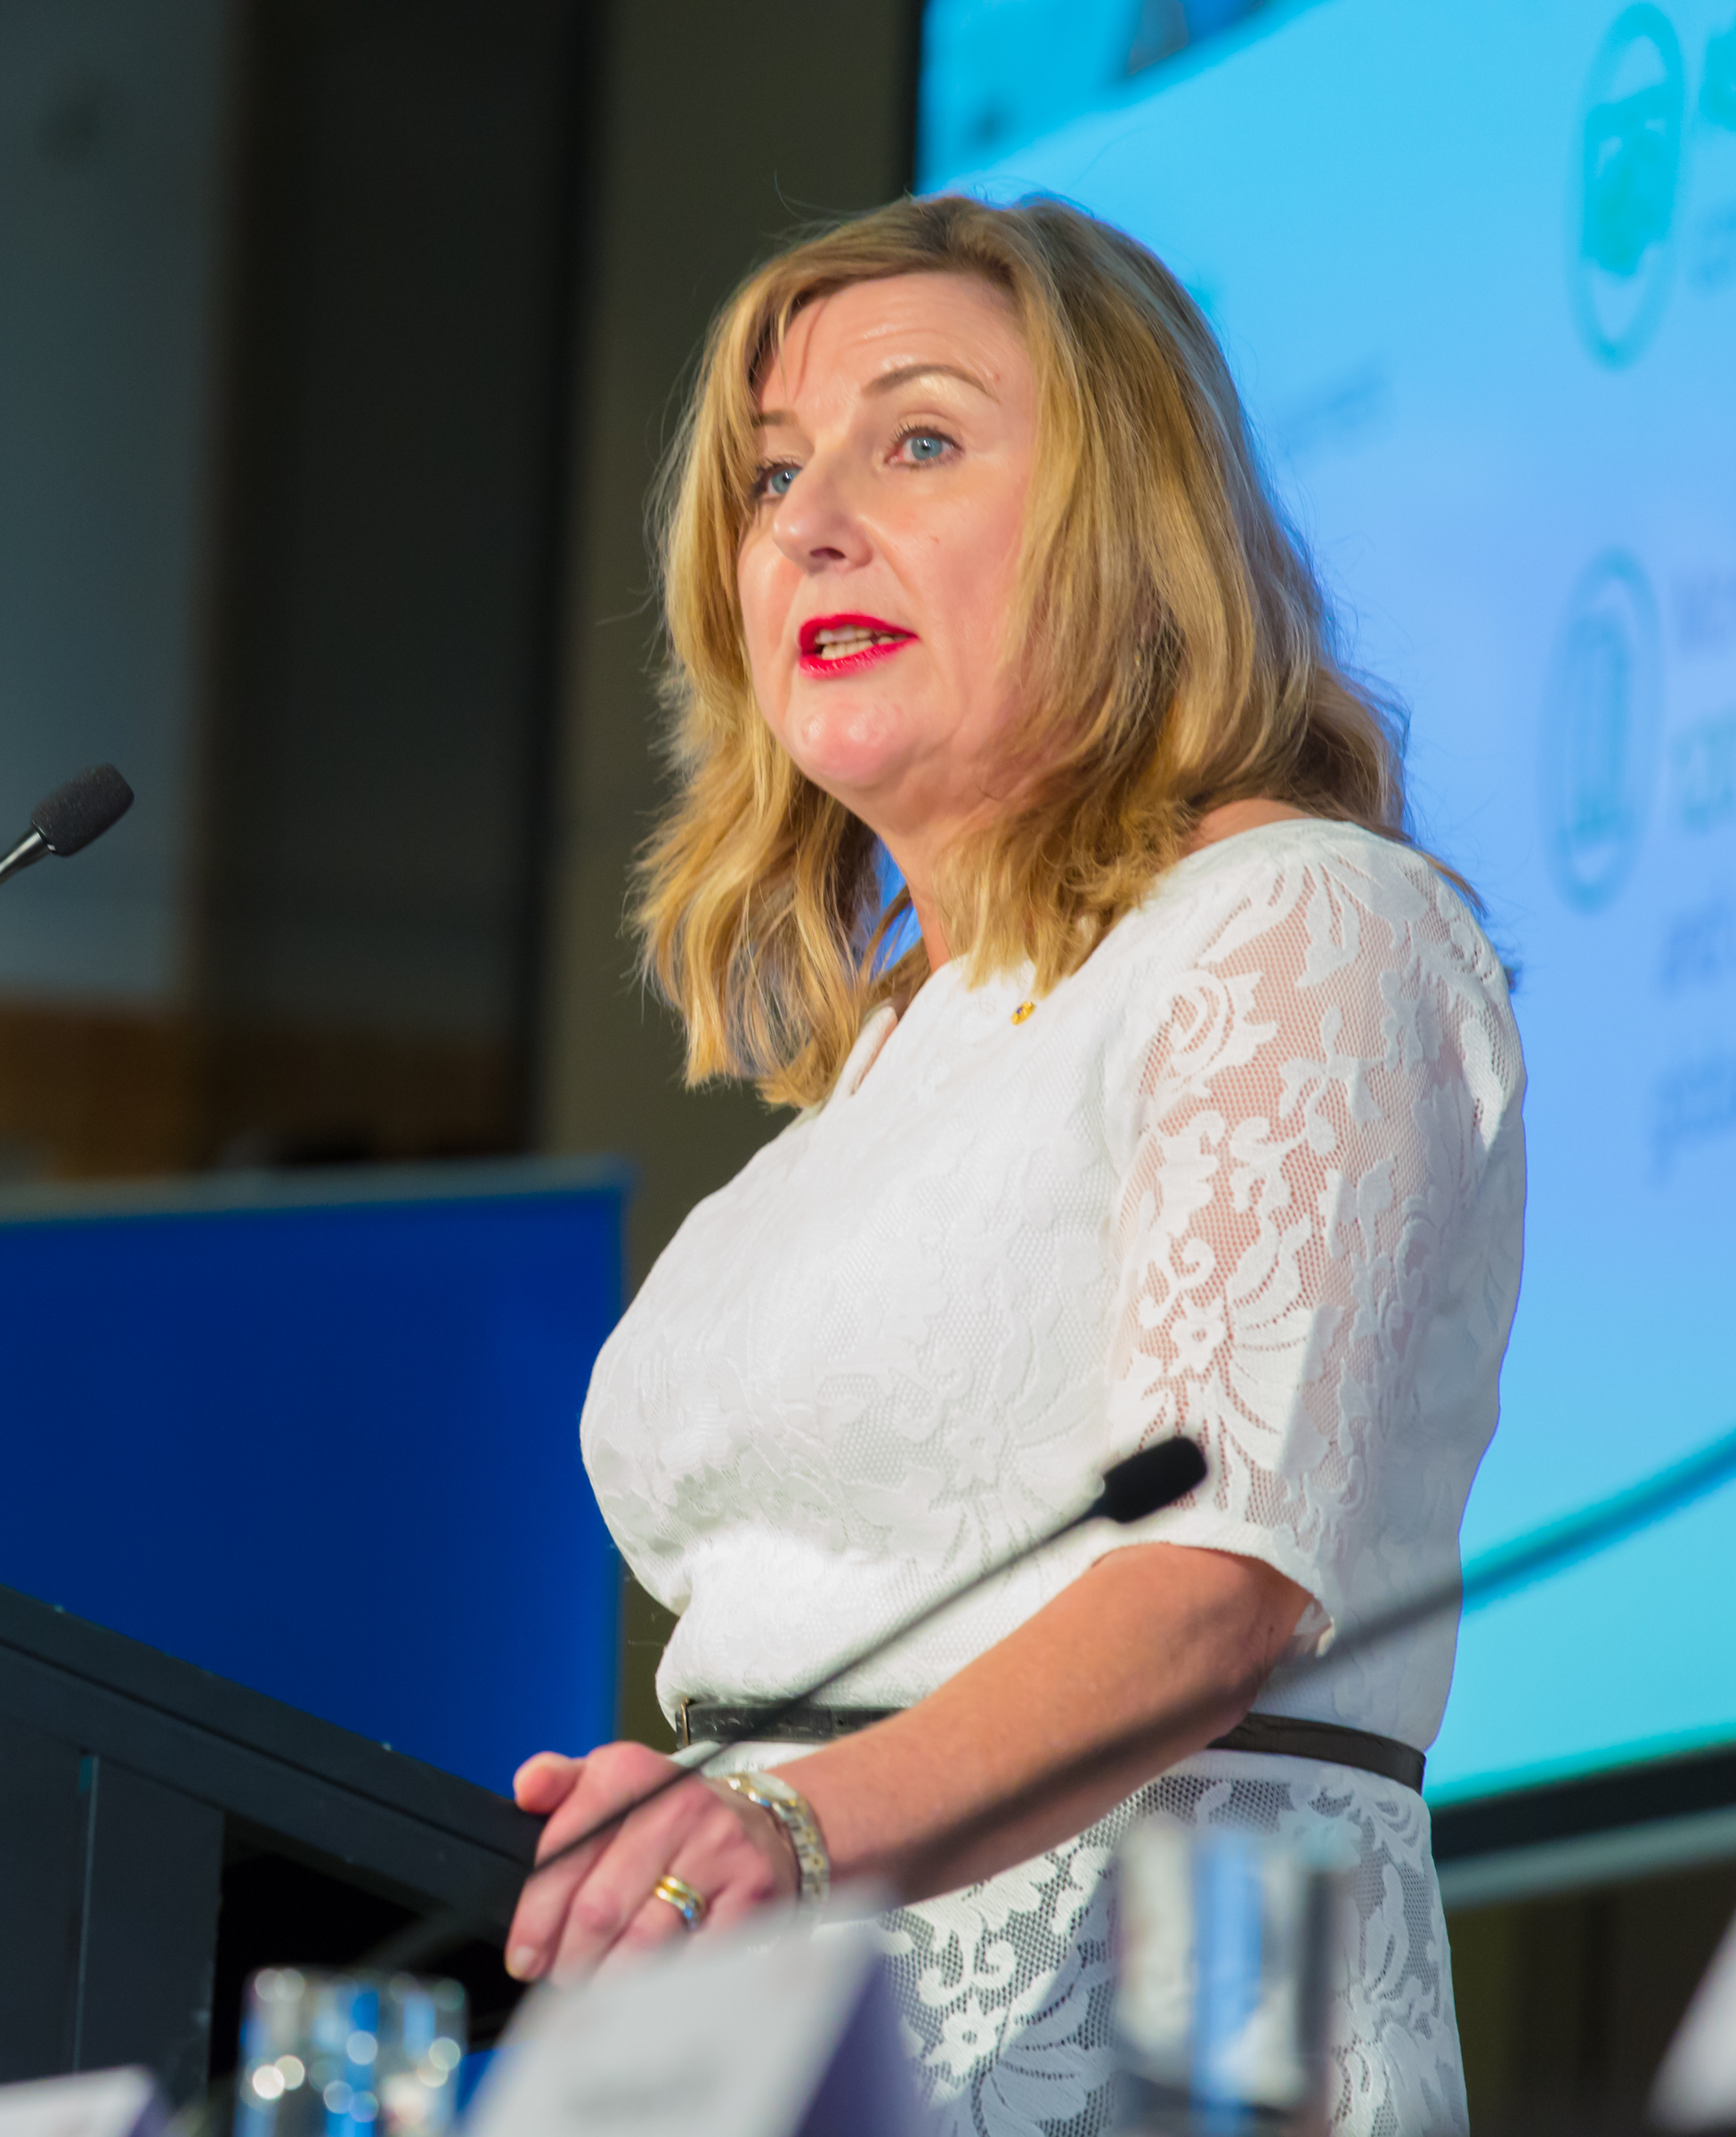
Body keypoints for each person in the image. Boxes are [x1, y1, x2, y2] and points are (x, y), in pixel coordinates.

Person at [505, 192, 1521, 2135]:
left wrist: (791, 1825)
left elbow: (1212, 1580)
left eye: (919, 441)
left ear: (1129, 529)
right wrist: (686, 1824)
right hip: (767, 2053)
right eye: (772, 474)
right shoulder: (880, 1071)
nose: (809, 522)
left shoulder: (1301, 920)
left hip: (1168, 2039)